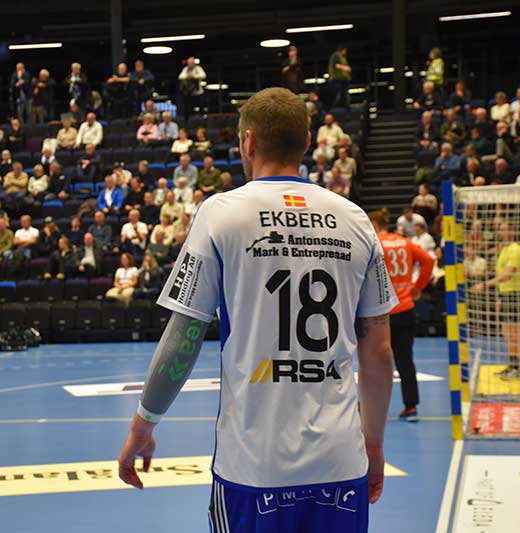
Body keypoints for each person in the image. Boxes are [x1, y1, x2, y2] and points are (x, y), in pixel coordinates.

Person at [117, 88, 397, 531]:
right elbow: (379, 352)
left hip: (253, 467)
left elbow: (184, 336)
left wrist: (142, 426)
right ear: (307, 142)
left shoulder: (221, 214)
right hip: (340, 463)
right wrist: (374, 445)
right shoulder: (355, 219)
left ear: (248, 141)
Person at [369, 208, 435, 421]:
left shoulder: (374, 243)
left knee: (373, 361)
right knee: (405, 360)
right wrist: (418, 287)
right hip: (406, 308)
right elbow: (429, 261)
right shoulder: (405, 242)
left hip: (381, 312)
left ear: (374, 224)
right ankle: (411, 406)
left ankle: (371, 407)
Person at [472, 223, 520, 380]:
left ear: (511, 230)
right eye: (500, 229)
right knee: (506, 331)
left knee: (516, 331)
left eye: (504, 229)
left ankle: (518, 368)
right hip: (506, 294)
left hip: (516, 294)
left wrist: (485, 285)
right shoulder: (504, 249)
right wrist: (500, 297)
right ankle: (512, 365)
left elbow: (508, 275)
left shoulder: (515, 249)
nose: (500, 232)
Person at [328, 44, 352, 110]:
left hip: (342, 80)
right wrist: (345, 67)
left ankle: (345, 109)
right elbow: (335, 65)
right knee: (337, 95)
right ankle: (334, 109)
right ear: (343, 50)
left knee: (344, 95)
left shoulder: (342, 57)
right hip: (336, 80)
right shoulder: (336, 55)